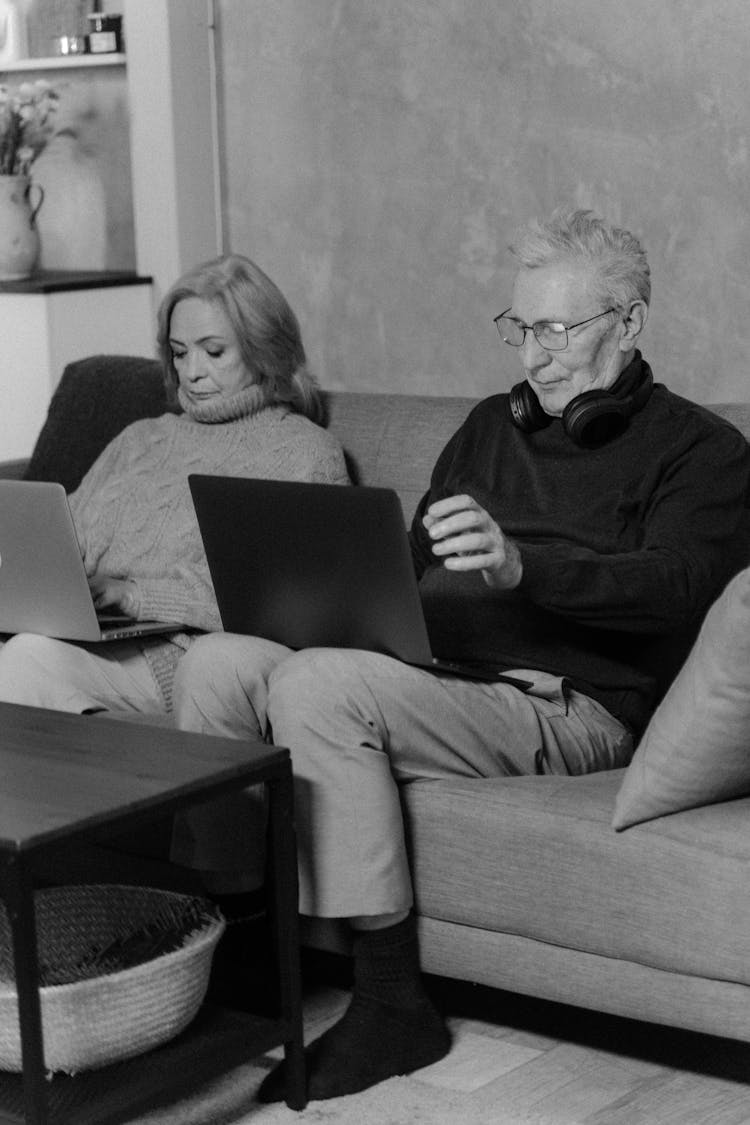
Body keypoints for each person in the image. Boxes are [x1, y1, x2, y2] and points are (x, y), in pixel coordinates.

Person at [172, 209, 750, 1102]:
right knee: (217, 662)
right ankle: (244, 961)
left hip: (567, 703)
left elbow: (673, 585)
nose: (534, 356)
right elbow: (405, 564)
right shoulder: (489, 426)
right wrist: (321, 595)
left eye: (558, 330)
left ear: (629, 325)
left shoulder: (705, 452)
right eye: (520, 329)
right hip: (432, 675)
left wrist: (523, 566)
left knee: (321, 687)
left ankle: (393, 1004)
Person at [0, 252, 348, 715]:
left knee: (27, 660)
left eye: (214, 351)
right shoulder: (140, 437)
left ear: (264, 349)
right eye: (180, 353)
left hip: (178, 656)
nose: (192, 371)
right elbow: (67, 541)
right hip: (85, 634)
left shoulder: (306, 455)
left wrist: (134, 595)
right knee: (26, 648)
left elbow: (293, 605)